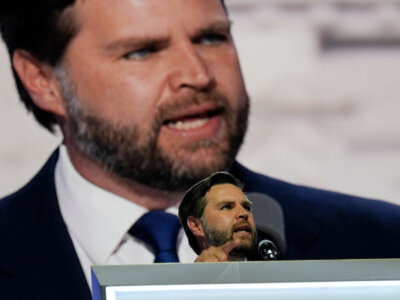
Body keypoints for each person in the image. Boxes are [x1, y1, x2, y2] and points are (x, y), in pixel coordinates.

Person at [1, 0, 400, 299]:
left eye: (211, 37)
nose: (198, 74)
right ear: (42, 80)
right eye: (142, 51)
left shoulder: (380, 245)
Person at [179, 172, 258, 262]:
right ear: (196, 226)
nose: (244, 213)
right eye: (226, 207)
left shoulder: (271, 274)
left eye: (246, 207)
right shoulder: (176, 275)